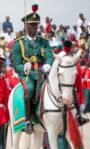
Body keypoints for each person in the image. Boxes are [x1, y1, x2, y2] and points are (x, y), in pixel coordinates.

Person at [12, 4, 54, 133]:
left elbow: (49, 55)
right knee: (29, 89)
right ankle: (28, 121)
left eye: (36, 25)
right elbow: (16, 64)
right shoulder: (18, 43)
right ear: (25, 26)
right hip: (27, 73)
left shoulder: (43, 41)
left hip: (42, 71)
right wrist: (24, 67)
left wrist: (48, 64)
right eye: (31, 25)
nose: (34, 28)